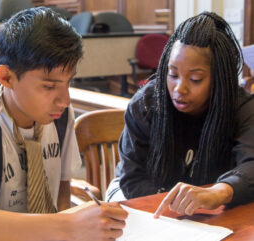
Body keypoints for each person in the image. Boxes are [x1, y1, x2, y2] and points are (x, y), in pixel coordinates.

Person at [0, 7, 127, 241]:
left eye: (68, 83)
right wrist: (65, 225)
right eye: (49, 86)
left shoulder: (61, 117)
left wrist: (69, 224)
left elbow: (61, 191)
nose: (64, 100)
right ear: (6, 77)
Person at [106, 11, 254, 217]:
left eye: (195, 79)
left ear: (220, 80)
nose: (179, 89)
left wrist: (218, 192)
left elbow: (251, 164)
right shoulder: (146, 103)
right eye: (173, 74)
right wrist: (175, 206)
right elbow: (132, 177)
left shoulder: (242, 109)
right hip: (144, 198)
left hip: (210, 208)